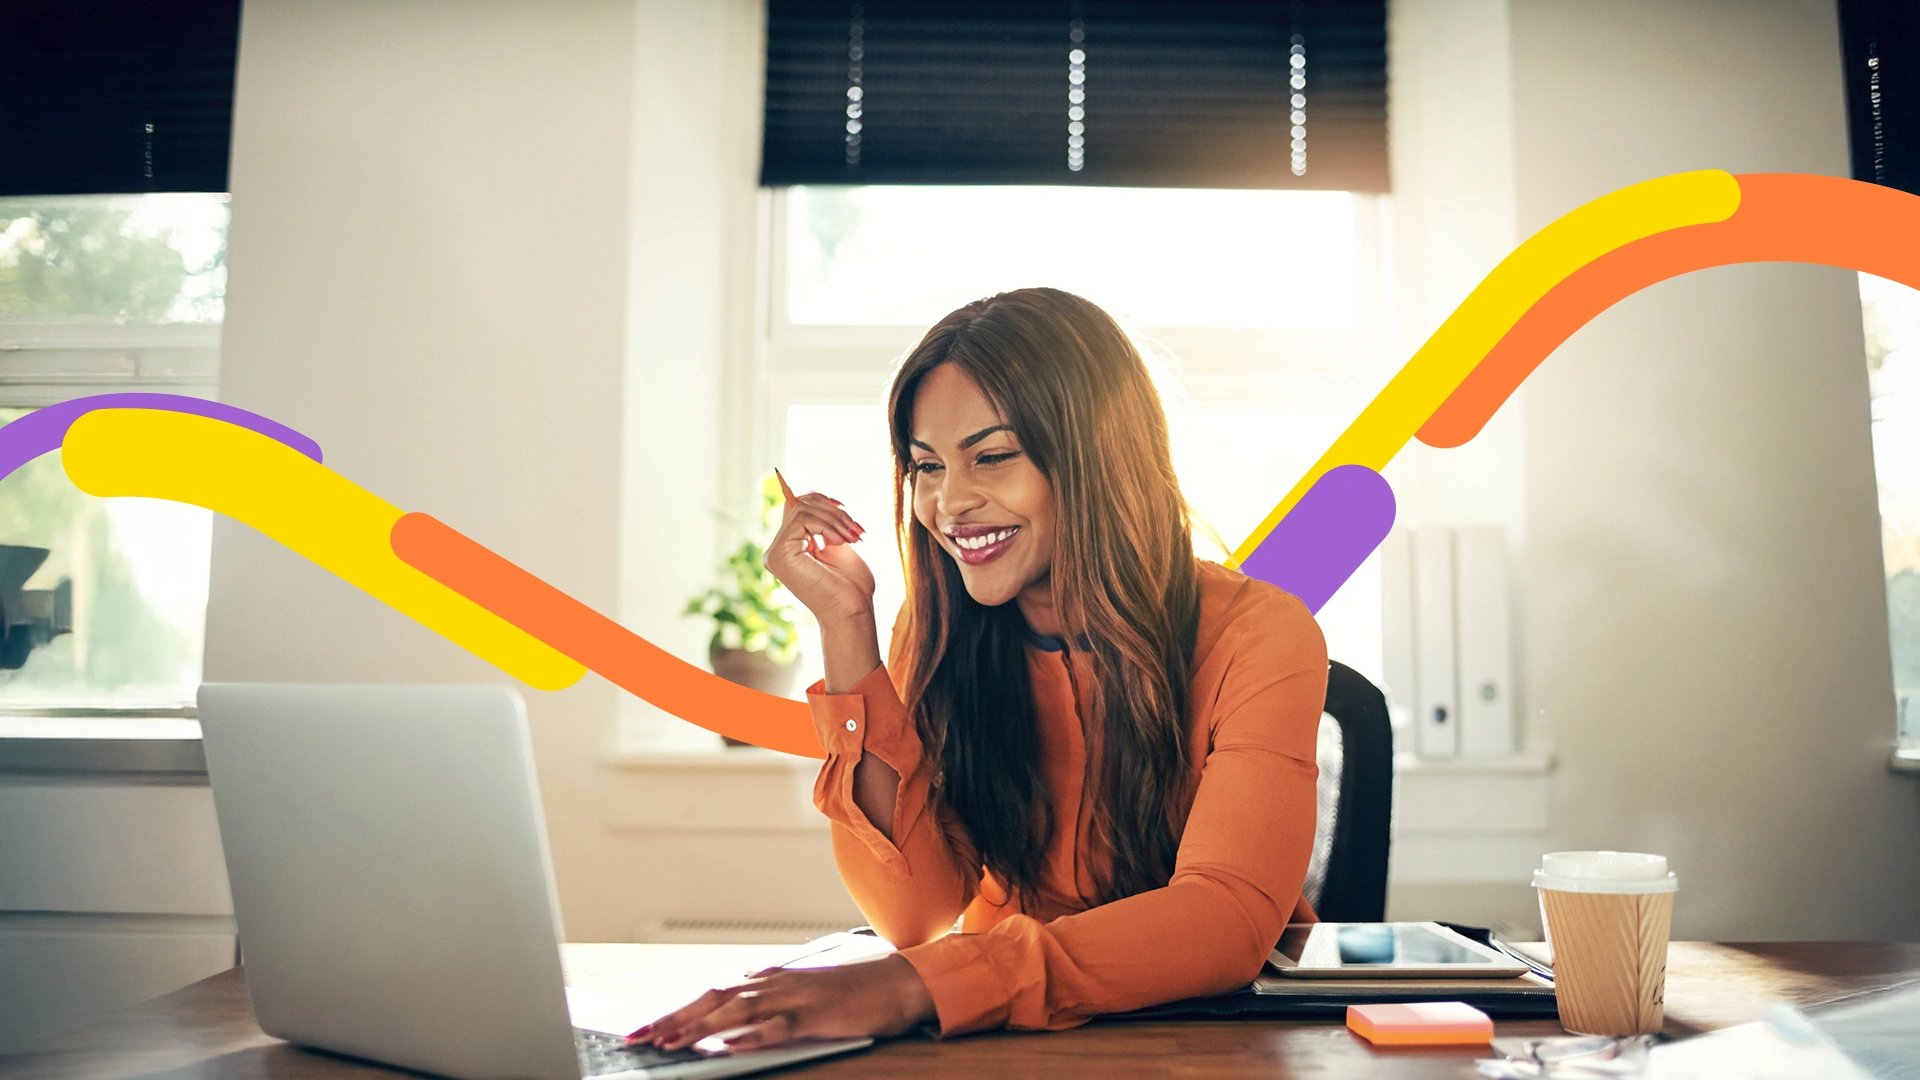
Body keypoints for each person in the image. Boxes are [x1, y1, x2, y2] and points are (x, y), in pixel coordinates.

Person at [633, 287, 1328, 1052]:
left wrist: (920, 985)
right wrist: (847, 630)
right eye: (926, 467)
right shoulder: (933, 631)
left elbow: (1223, 918)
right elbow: (914, 914)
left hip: (1209, 1042)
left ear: (1098, 455)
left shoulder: (1260, 633)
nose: (948, 502)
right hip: (1003, 1039)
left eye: (991, 457)